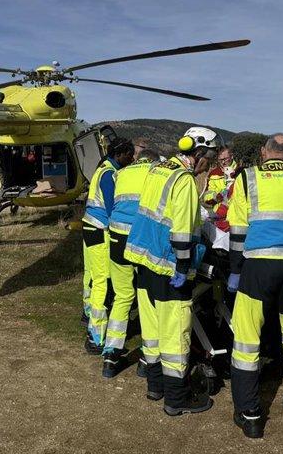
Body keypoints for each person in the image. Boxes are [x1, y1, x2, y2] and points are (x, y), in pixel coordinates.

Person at [124, 126, 222, 416]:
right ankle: (177, 400)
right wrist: (183, 266)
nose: (212, 163)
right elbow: (181, 231)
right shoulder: (184, 180)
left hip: (144, 261)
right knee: (175, 332)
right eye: (211, 157)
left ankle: (155, 387)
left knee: (152, 329)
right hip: (169, 266)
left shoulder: (158, 169)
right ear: (200, 152)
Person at [226, 134, 283, 438]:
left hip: (257, 266)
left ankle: (250, 413)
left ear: (264, 153)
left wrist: (236, 270)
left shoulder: (248, 178)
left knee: (247, 338)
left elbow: (238, 230)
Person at [103, 148, 160, 377]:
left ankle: (110, 355)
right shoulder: (157, 172)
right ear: (155, 160)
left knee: (122, 295)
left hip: (116, 236)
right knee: (146, 297)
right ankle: (148, 358)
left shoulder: (122, 172)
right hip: (140, 238)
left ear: (138, 158)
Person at [81, 137, 135, 354]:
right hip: (100, 228)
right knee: (102, 281)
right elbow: (114, 207)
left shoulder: (102, 168)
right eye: (129, 155)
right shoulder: (109, 174)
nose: (130, 159)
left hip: (90, 225)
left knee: (92, 276)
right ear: (119, 153)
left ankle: (88, 314)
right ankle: (97, 336)